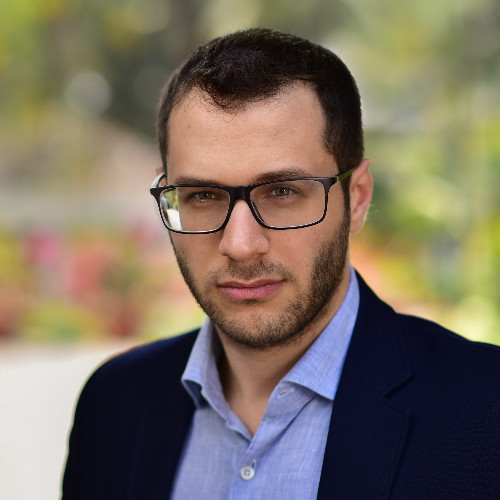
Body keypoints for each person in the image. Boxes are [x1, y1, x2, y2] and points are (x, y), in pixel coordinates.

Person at [62, 29, 500, 499]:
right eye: (203, 195)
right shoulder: (113, 405)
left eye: (283, 192)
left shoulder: (486, 413)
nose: (240, 245)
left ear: (356, 198)